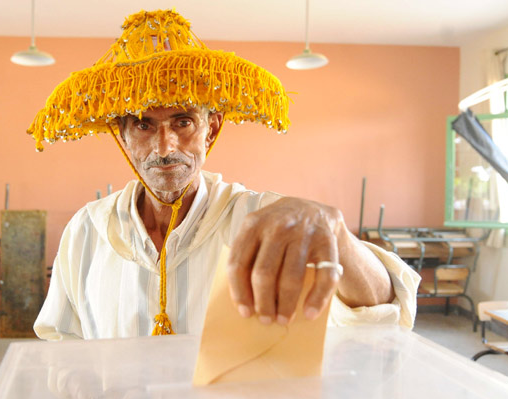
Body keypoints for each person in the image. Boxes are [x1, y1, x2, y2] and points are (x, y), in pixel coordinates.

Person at [29, 9, 420, 340]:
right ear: (123, 136)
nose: (165, 148)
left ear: (212, 128)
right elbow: (60, 346)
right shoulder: (88, 230)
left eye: (182, 122)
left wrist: (333, 230)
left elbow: (383, 310)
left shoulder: (264, 219)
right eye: (144, 125)